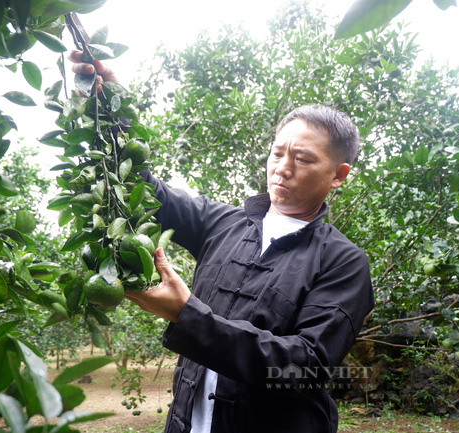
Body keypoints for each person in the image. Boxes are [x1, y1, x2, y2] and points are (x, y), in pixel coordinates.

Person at [69, 51, 374, 433]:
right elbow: (143, 188)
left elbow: (303, 370)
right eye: (277, 153)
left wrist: (187, 316)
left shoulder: (342, 262)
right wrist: (109, 103)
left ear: (338, 175)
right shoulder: (222, 224)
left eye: (303, 159)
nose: (282, 167)